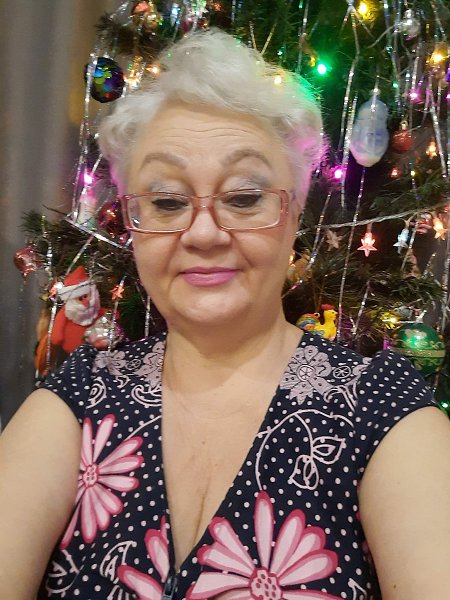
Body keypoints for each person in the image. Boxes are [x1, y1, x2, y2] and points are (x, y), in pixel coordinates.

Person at [0, 28, 449, 600]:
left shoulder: (384, 414)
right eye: (167, 201)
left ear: (294, 214)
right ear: (133, 223)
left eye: (243, 197)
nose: (204, 233)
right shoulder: (78, 398)